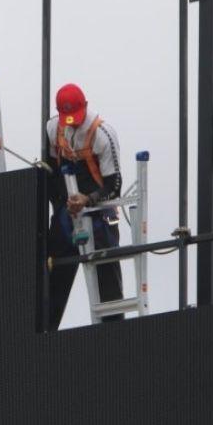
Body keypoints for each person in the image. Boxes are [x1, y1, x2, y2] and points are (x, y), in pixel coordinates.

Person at [44, 83, 124, 328]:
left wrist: (87, 200)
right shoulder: (52, 128)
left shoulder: (102, 134)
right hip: (68, 211)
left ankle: (112, 331)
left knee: (106, 277)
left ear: (86, 106)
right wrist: (62, 203)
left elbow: (114, 185)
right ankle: (44, 331)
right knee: (53, 269)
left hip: (100, 211)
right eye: (67, 119)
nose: (72, 124)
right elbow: (51, 169)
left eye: (76, 118)